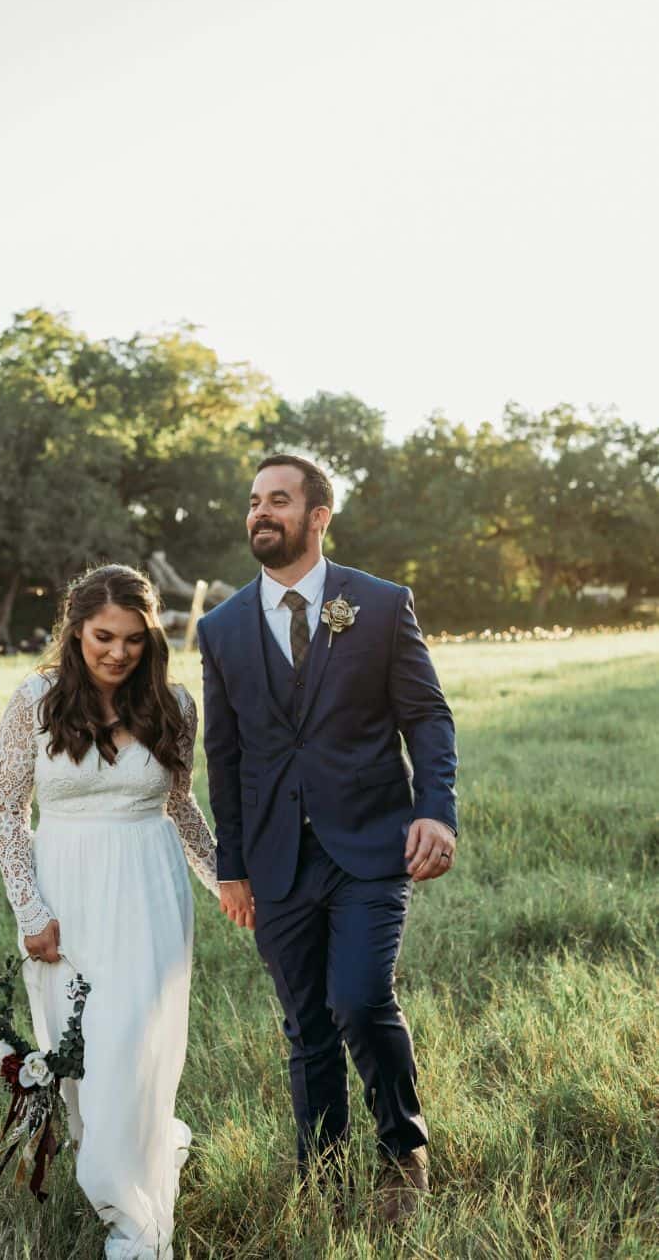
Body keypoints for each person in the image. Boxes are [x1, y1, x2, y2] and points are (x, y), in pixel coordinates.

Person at [197, 455, 458, 1221]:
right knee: (304, 1023)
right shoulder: (220, 628)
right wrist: (231, 866)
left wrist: (433, 809)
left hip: (371, 845)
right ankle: (321, 1173)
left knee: (358, 996)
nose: (259, 514)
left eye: (277, 500)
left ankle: (401, 1151)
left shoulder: (376, 604)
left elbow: (427, 717)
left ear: (318, 516)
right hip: (275, 858)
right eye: (251, 502)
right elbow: (226, 755)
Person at [0, 564, 219, 1259]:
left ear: (151, 639)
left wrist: (226, 883)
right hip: (68, 895)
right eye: (102, 637)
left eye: (132, 640)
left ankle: (131, 1221)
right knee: (86, 1064)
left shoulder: (174, 704)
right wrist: (30, 909)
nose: (117, 653)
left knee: (134, 1047)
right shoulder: (35, 699)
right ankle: (122, 1157)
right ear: (74, 631)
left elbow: (181, 809)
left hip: (150, 892)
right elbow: (6, 812)